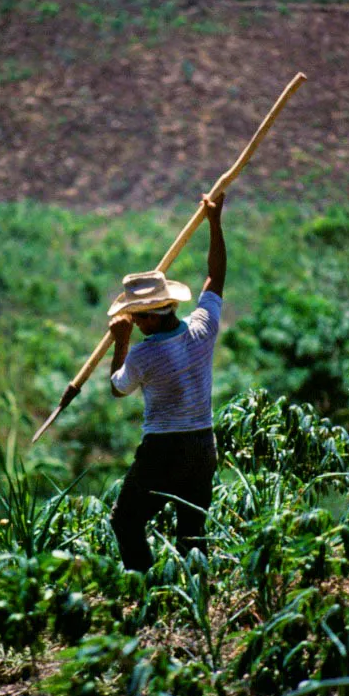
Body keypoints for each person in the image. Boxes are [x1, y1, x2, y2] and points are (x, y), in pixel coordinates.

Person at [107, 193, 226, 572]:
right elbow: (216, 276)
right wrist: (215, 222)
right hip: (202, 446)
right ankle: (196, 600)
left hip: (163, 451)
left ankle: (144, 590)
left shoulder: (142, 354)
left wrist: (121, 342)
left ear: (154, 317)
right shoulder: (202, 328)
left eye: (138, 319)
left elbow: (117, 388)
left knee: (125, 521)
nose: (136, 324)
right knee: (192, 535)